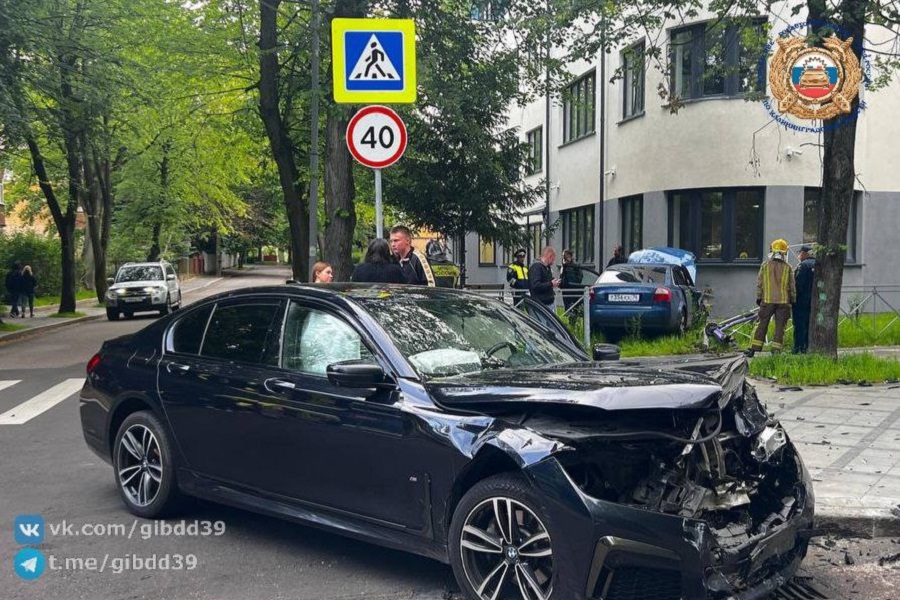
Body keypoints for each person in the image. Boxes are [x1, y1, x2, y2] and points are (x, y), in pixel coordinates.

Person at [746, 239, 796, 357]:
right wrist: (793, 300)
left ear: (772, 251)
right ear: (785, 252)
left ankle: (753, 349)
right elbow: (792, 286)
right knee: (780, 327)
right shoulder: (788, 267)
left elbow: (759, 283)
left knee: (761, 324)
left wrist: (759, 297)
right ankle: (776, 351)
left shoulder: (765, 265)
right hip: (783, 302)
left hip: (767, 300)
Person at [793, 245, 816, 354]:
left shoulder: (803, 265)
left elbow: (798, 284)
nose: (799, 255)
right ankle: (808, 346)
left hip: (801, 301)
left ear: (805, 253)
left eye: (800, 252)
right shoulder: (818, 264)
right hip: (814, 301)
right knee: (809, 324)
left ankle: (798, 347)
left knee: (799, 324)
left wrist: (793, 298)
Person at [560, 249, 584, 314]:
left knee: (574, 306)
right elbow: (562, 276)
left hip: (574, 289)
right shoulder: (563, 266)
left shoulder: (575, 265)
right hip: (565, 289)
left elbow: (580, 277)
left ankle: (574, 316)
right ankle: (570, 316)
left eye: (565, 256)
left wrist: (575, 283)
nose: (563, 258)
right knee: (567, 306)